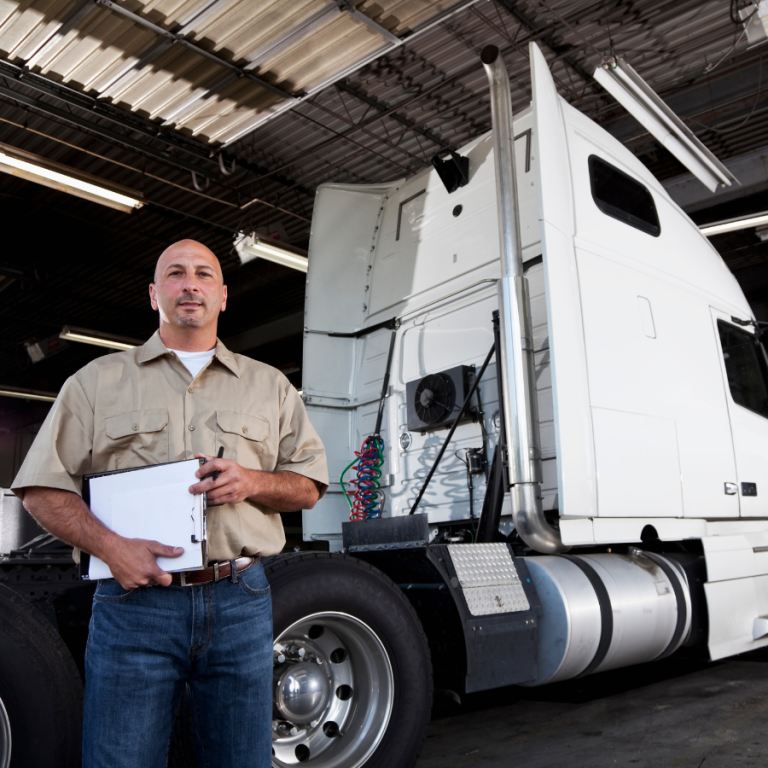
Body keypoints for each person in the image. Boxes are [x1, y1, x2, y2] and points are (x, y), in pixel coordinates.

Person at [12, 239, 328, 768]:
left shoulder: (270, 386)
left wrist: (251, 481)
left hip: (239, 601)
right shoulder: (95, 383)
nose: (190, 284)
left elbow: (310, 486)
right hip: (134, 606)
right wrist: (112, 548)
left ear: (222, 296)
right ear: (153, 293)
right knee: (121, 759)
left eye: (203, 274)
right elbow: (41, 489)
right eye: (176, 273)